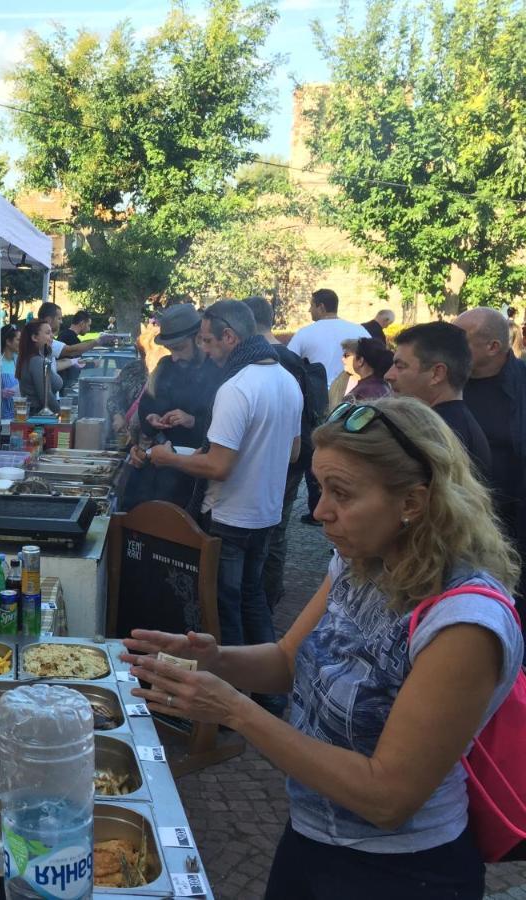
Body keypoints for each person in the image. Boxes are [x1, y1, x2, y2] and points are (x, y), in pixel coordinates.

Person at [122, 396, 523, 899]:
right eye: (320, 486)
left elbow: (387, 796)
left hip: (402, 874)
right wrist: (214, 659)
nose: (319, 510)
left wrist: (234, 709)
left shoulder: (464, 623)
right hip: (311, 839)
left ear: (412, 503)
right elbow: (289, 659)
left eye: (342, 493)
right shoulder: (360, 562)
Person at [147, 301, 302, 708]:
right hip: (266, 512)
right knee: (253, 600)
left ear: (230, 337)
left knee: (224, 610)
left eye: (209, 341)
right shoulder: (287, 380)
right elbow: (293, 451)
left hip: (232, 515)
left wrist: (168, 458)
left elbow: (218, 465)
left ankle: (229, 703)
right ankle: (270, 697)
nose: (208, 350)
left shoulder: (236, 388)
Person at [244, 296, 317, 612]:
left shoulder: (266, 360)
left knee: (268, 534)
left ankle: (263, 596)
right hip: (294, 455)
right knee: (278, 531)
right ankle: (270, 594)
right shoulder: (291, 359)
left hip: (275, 458)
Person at [455, 307, 526, 605]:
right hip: (460, 523)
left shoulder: (521, 385)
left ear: (493, 347)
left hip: (514, 524)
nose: (450, 347)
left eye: (459, 339)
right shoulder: (445, 382)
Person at [124, 304, 222, 509]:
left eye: (179, 349)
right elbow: (146, 407)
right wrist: (151, 418)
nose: (174, 357)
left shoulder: (216, 372)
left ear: (198, 339)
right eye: (170, 350)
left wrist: (193, 421)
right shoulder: (165, 366)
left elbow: (224, 427)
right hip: (157, 468)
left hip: (194, 475)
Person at [288, 289, 370, 524]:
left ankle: (318, 504)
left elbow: (290, 361)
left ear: (321, 307)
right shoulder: (359, 330)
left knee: (318, 451)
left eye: (311, 305)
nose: (309, 310)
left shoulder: (306, 333)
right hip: (355, 399)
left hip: (319, 402)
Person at [386, 322, 492, 476]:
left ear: (437, 374)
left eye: (400, 366)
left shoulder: (435, 434)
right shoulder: (453, 424)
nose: (388, 375)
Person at [17, 319, 63, 416]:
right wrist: (62, 414)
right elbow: (45, 396)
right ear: (34, 337)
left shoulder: (32, 358)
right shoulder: (36, 361)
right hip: (40, 417)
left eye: (51, 332)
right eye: (47, 333)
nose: (52, 336)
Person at [341, 338, 393, 402]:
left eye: (346, 355)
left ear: (360, 360)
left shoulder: (364, 392)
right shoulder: (382, 386)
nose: (342, 359)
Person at [0, 323, 20, 421]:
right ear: (8, 342)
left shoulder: (18, 361)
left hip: (18, 414)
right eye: (18, 340)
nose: (21, 343)